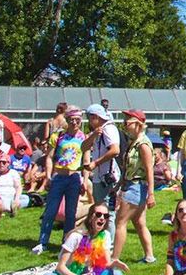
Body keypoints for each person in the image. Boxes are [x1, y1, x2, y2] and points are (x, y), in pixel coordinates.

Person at [39, 202, 129, 275]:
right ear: (90, 217)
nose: (102, 218)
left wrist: (115, 264)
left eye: (106, 216)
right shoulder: (76, 236)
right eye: (98, 214)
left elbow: (106, 264)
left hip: (89, 274)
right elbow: (60, 267)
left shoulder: (105, 235)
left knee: (116, 272)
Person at [33, 106, 86, 255]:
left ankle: (66, 242)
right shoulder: (58, 137)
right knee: (50, 210)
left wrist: (85, 180)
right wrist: (48, 176)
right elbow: (49, 157)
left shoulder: (84, 138)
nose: (74, 122)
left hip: (74, 177)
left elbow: (86, 160)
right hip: (59, 176)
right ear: (67, 120)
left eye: (77, 120)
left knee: (71, 212)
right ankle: (42, 241)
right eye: (71, 120)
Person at [113, 109, 156, 263]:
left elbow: (149, 170)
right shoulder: (135, 142)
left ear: (138, 124)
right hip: (135, 186)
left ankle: (114, 258)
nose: (124, 124)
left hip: (136, 186)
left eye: (127, 121)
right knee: (139, 223)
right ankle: (149, 256)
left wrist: (151, 194)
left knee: (120, 222)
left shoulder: (143, 145)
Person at [81, 103, 120, 238]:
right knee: (99, 209)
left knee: (107, 213)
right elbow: (83, 147)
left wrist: (95, 163)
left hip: (107, 178)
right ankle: (100, 241)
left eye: (90, 118)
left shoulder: (109, 129)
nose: (89, 122)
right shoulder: (99, 130)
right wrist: (92, 136)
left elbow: (115, 150)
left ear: (95, 117)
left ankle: (108, 246)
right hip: (99, 177)